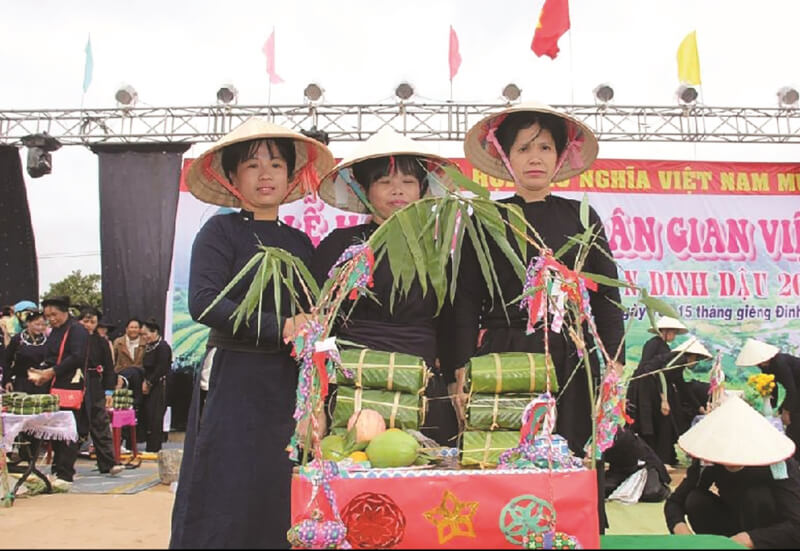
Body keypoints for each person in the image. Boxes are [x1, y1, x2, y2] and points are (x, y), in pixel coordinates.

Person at [444, 102, 624, 532]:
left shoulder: (582, 217)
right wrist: (459, 368)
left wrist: (613, 362)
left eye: (545, 147)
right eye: (524, 148)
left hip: (572, 355)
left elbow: (607, 295)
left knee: (574, 451)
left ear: (559, 156)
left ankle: (575, 532)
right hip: (506, 355)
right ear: (507, 158)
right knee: (504, 451)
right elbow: (464, 299)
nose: (535, 157)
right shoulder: (487, 218)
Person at [170, 118, 335, 548]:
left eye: (276, 165)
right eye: (251, 165)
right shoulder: (219, 232)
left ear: (290, 176)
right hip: (233, 376)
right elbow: (205, 303)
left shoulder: (301, 243)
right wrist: (277, 327)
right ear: (231, 177)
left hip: (286, 382)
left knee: (278, 481)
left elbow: (311, 313)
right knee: (225, 478)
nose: (265, 175)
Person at [313, 128, 459, 446]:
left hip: (421, 386)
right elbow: (318, 323)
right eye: (384, 181)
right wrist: (315, 396)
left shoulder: (436, 250)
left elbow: (450, 323)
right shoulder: (339, 246)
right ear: (365, 189)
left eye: (408, 182)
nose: (397, 191)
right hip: (353, 385)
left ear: (422, 190)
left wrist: (452, 381)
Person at [665, 395, 800, 549]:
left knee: (756, 496)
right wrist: (681, 531)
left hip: (770, 532)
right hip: (733, 524)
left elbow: (796, 525)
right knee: (695, 499)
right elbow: (674, 502)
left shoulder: (777, 463)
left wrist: (752, 539)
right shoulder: (709, 459)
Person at [27, 296, 89, 483]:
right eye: (48, 316)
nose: (51, 319)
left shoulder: (77, 330)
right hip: (52, 384)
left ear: (65, 311)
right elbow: (52, 356)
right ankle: (56, 468)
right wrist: (40, 373)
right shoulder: (54, 331)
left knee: (67, 430)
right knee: (54, 429)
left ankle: (65, 472)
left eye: (54, 314)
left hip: (69, 384)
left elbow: (77, 357)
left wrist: (51, 371)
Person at [629, 337, 711, 466]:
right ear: (693, 356)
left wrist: (699, 407)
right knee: (659, 424)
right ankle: (659, 460)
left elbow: (681, 384)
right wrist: (664, 400)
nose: (696, 363)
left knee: (666, 425)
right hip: (650, 391)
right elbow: (661, 375)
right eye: (696, 359)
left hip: (657, 391)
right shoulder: (678, 359)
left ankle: (663, 459)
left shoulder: (678, 361)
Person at [736, 338, 800, 461]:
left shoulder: (780, 362)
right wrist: (771, 408)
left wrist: (786, 412)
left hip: (797, 390)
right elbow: (773, 387)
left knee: (795, 424)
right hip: (795, 391)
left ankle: (795, 461)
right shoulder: (765, 366)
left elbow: (791, 390)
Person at [77, 307, 123, 476]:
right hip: (74, 383)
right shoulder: (71, 339)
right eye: (85, 321)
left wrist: (109, 391)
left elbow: (109, 368)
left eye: (92, 322)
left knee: (100, 423)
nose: (88, 325)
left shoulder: (101, 341)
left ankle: (109, 463)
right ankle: (64, 466)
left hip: (95, 383)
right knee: (74, 424)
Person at [139, 318, 171, 452]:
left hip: (159, 384)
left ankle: (154, 447)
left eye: (146, 334)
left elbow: (161, 368)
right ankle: (149, 445)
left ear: (154, 332)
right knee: (147, 415)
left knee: (155, 416)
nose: (144, 337)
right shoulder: (149, 347)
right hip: (149, 383)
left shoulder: (163, 347)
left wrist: (149, 382)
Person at [3, 310, 49, 394]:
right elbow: (6, 361)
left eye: (43, 325)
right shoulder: (17, 340)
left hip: (41, 383)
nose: (40, 327)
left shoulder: (48, 340)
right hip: (21, 382)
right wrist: (7, 380)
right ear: (28, 323)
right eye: (37, 324)